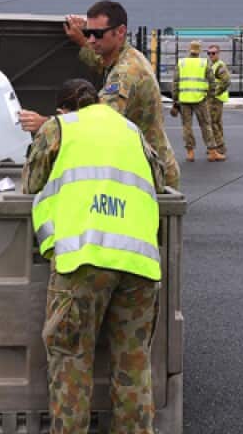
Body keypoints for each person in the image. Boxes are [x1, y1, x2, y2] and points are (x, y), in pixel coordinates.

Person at [25, 79, 166, 434]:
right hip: (140, 262)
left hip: (82, 260)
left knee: (71, 363)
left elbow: (30, 182)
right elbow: (161, 179)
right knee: (133, 367)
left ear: (63, 109)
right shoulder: (132, 130)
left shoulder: (59, 128)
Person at [19, 0, 180, 188]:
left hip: (152, 177)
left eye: (98, 34)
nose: (92, 40)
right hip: (142, 167)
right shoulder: (123, 56)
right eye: (89, 33)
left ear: (120, 32)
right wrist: (81, 40)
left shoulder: (126, 73)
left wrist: (46, 124)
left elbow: (97, 121)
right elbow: (100, 60)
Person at [170, 41, 210, 162]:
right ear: (199, 51)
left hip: (184, 99)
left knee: (187, 126)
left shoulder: (181, 63)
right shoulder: (204, 63)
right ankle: (212, 151)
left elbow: (175, 83)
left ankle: (190, 152)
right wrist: (208, 96)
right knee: (205, 125)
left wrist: (175, 101)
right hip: (200, 99)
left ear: (189, 50)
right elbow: (212, 82)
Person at [203, 44, 231, 162]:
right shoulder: (213, 65)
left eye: (213, 53)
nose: (211, 55)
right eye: (209, 53)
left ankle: (220, 148)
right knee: (217, 123)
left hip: (216, 99)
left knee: (213, 123)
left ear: (218, 53)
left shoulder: (219, 66)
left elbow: (226, 81)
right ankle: (216, 147)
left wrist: (216, 92)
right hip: (213, 98)